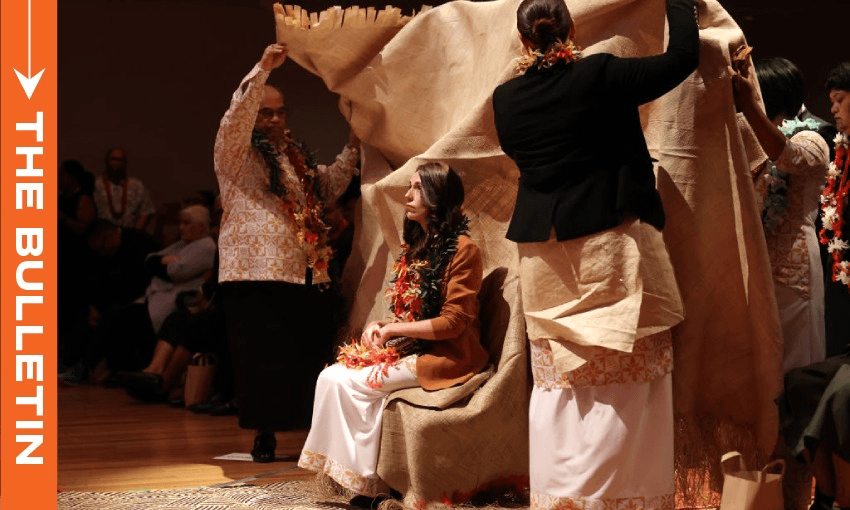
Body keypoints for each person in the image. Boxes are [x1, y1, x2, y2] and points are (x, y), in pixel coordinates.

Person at [491, 0, 698, 506]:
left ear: (523, 42)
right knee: (626, 389)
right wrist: (680, 4)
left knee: (560, 389)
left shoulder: (505, 99)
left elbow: (525, 158)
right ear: (572, 30)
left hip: (546, 256)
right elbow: (682, 58)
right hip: (612, 243)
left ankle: (560, 497)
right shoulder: (601, 74)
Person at [298, 162, 488, 502]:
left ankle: (368, 485)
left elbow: (454, 322)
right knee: (331, 377)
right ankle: (357, 480)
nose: (407, 195)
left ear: (437, 196)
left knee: (352, 383)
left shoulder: (463, 250)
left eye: (416, 188)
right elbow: (409, 311)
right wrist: (383, 325)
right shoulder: (416, 248)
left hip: (446, 357)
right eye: (410, 187)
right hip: (411, 349)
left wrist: (395, 329)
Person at [214, 43, 360, 462]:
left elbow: (327, 190)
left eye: (280, 112)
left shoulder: (292, 158)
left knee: (302, 353)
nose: (275, 119)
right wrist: (262, 68)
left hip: (302, 271)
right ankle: (264, 434)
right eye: (266, 112)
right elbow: (234, 117)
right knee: (259, 358)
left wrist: (353, 143)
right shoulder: (234, 152)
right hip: (253, 272)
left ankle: (309, 436)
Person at [730, 56, 830, 374]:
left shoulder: (811, 138)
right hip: (757, 267)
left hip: (795, 269)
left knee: (796, 363)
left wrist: (748, 107)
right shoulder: (751, 138)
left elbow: (787, 156)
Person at [820, 62, 850, 359]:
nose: (833, 109)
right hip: (839, 261)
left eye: (840, 100)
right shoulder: (841, 147)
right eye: (831, 102)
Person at [93, 147, 156, 230]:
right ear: (107, 161)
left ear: (125, 163)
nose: (117, 163)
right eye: (113, 159)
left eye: (120, 160)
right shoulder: (96, 185)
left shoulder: (136, 185)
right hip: (102, 235)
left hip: (130, 234)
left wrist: (134, 233)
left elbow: (146, 212)